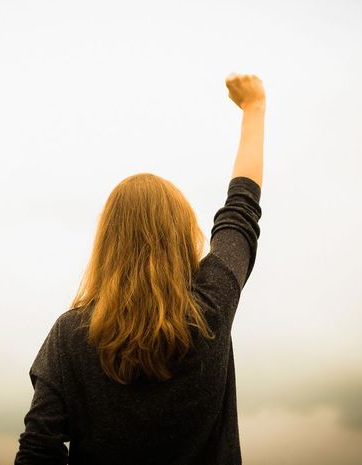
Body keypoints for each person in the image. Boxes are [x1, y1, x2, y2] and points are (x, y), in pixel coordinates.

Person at [14, 73, 266, 465]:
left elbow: (37, 451)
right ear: (182, 239)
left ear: (108, 245)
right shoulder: (211, 308)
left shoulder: (70, 335)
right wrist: (254, 107)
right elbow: (240, 211)